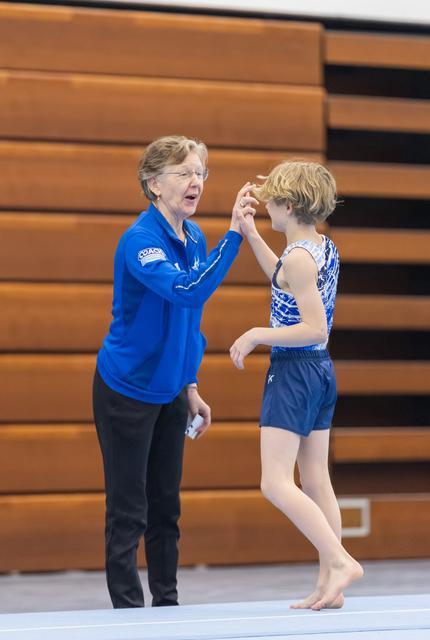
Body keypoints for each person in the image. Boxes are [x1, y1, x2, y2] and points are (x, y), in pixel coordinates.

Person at [93, 134, 253, 608]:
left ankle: (167, 608)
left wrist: (190, 385)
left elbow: (188, 323)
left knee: (166, 507)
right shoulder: (140, 241)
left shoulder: (196, 236)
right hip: (125, 390)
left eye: (200, 172)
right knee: (129, 510)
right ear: (153, 183)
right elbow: (185, 291)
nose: (196, 182)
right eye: (184, 173)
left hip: (168, 391)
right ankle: (127, 611)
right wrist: (235, 238)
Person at [230, 161, 363, 611]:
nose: (265, 204)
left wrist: (257, 334)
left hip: (295, 370)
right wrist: (250, 234)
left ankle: (339, 561)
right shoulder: (317, 248)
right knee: (315, 479)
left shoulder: (301, 258)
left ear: (288, 206)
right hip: (319, 372)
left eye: (271, 199)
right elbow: (284, 279)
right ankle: (332, 583)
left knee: (274, 482)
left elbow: (315, 327)